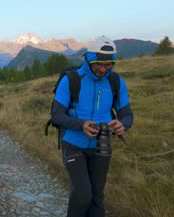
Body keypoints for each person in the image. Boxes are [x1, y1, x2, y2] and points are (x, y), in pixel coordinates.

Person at [51, 35, 134, 217]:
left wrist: (123, 124)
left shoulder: (115, 82)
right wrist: (81, 125)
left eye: (108, 65)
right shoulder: (71, 80)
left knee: (97, 198)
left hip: (102, 146)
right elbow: (56, 115)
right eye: (98, 64)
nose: (102, 70)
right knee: (83, 196)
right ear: (88, 58)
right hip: (73, 143)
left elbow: (127, 114)